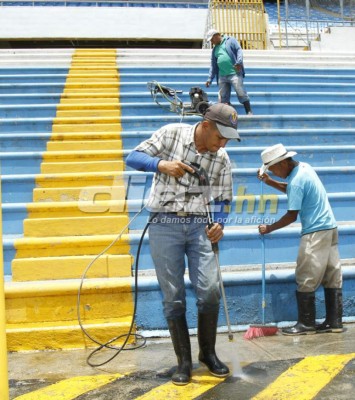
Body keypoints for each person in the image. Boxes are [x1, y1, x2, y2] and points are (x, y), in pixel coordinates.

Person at [126, 103, 240, 385]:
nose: (222, 143)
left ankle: (208, 354)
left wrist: (220, 223)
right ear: (206, 125)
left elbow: (224, 198)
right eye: (220, 136)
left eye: (227, 138)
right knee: (173, 294)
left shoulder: (221, 158)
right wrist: (161, 164)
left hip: (200, 225)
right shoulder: (171, 134)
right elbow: (132, 157)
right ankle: (183, 362)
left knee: (210, 290)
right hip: (165, 224)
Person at [257, 143, 343, 336]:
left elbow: (291, 215)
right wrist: (270, 182)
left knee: (305, 276)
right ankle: (334, 322)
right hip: (330, 226)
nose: (274, 173)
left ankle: (306, 324)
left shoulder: (295, 180)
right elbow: (293, 189)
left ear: (282, 163)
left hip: (315, 231)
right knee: (332, 276)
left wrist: (269, 228)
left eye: (273, 169)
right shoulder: (304, 168)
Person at [205, 28, 253, 115]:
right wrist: (209, 79)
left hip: (234, 73)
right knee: (223, 96)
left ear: (217, 35)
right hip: (222, 75)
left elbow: (239, 50)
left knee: (240, 91)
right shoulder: (215, 49)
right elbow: (213, 65)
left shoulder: (230, 40)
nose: (212, 42)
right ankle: (227, 114)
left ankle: (248, 110)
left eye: (212, 39)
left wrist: (239, 62)